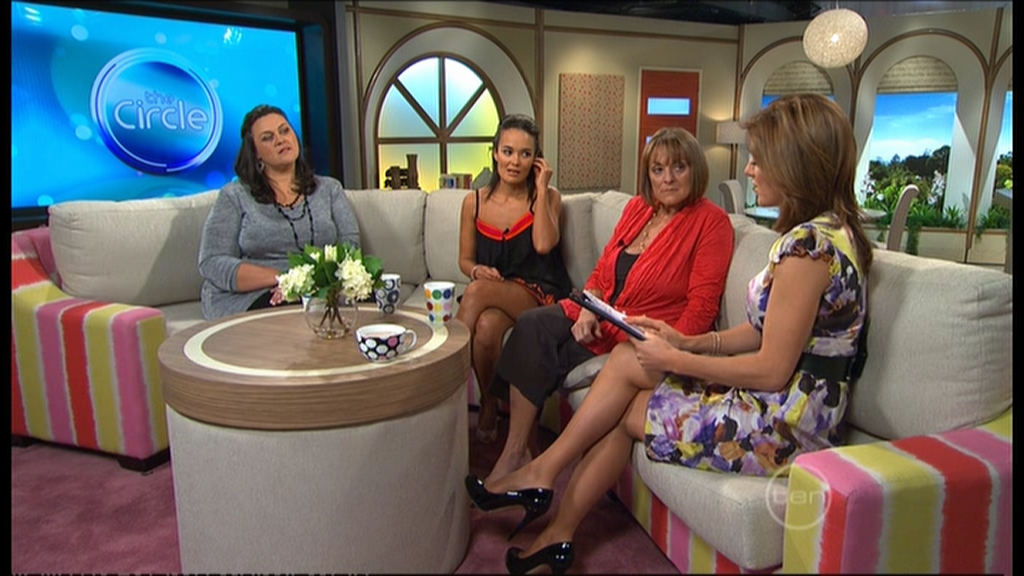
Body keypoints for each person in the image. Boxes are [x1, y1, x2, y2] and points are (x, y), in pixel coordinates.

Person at [466, 93, 874, 574]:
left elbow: (771, 369)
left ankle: (546, 493)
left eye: (759, 160)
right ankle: (551, 511)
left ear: (796, 165)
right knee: (623, 370)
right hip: (781, 399)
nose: (749, 170)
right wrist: (687, 343)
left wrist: (675, 358)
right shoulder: (826, 234)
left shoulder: (808, 249)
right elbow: (761, 332)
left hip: (786, 423)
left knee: (626, 388)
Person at [483, 126, 735, 486]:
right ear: (648, 175)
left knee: (548, 346)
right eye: (658, 169)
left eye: (679, 168)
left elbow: (701, 309)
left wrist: (669, 348)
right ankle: (517, 451)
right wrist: (589, 305)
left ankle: (527, 465)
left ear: (695, 169)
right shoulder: (638, 208)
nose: (667, 178)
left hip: (639, 333)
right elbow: (602, 270)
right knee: (531, 325)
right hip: (602, 314)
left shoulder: (711, 223)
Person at [456, 113, 573, 444]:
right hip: (498, 293)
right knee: (486, 329)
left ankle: (444, 377)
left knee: (476, 292)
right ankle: (489, 403)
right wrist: (476, 270)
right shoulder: (473, 202)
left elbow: (544, 244)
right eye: (508, 151)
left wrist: (542, 187)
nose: (515, 162)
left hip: (541, 295)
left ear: (536, 160)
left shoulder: (548, 197)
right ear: (495, 152)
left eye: (525, 154)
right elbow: (465, 260)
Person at [198, 104, 361, 320]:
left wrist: (317, 282)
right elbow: (212, 261)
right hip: (255, 293)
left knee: (370, 300)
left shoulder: (329, 189)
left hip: (320, 288)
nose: (280, 140)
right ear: (255, 153)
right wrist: (284, 279)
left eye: (284, 131)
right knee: (290, 309)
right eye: (268, 138)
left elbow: (350, 244)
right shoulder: (234, 195)